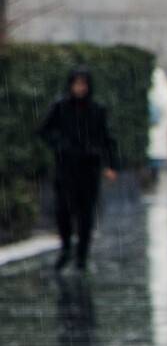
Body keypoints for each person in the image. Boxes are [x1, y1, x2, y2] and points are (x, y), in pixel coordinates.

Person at [38, 67, 118, 271]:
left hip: (89, 167)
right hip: (66, 166)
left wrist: (110, 164)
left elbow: (108, 138)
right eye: (77, 84)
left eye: (83, 84)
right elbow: (45, 131)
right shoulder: (61, 107)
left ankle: (81, 254)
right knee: (63, 210)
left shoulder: (97, 110)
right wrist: (61, 145)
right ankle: (66, 247)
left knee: (86, 213)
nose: (80, 88)